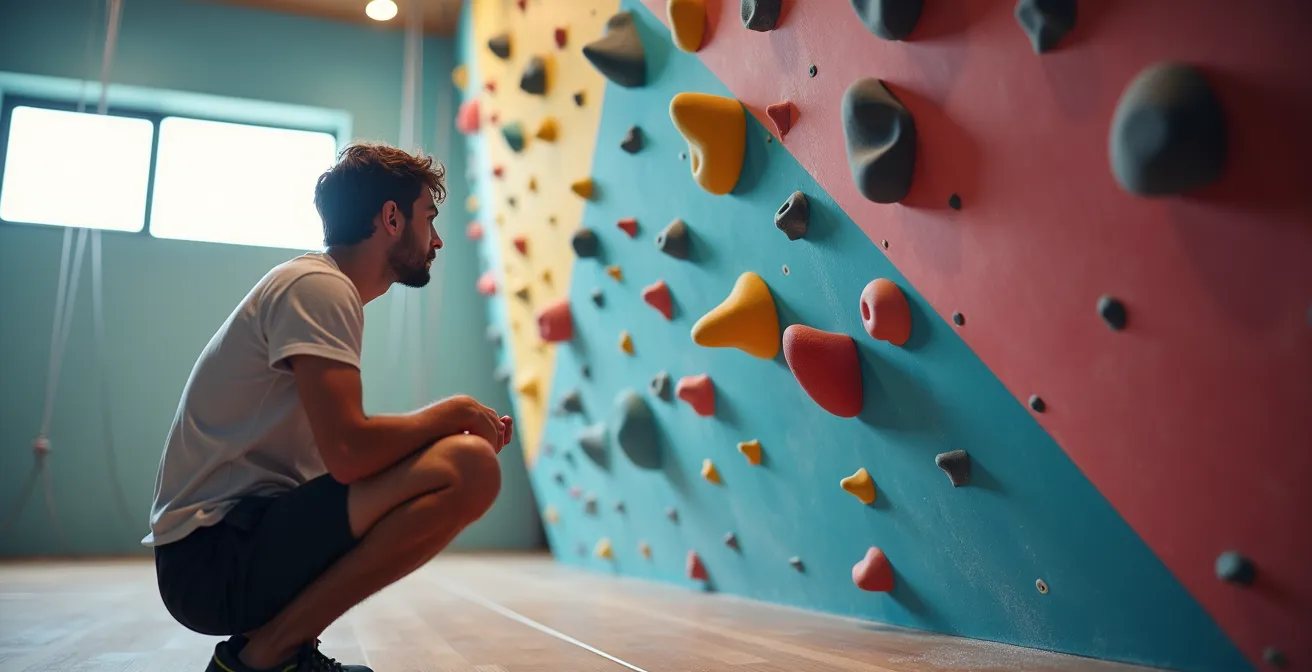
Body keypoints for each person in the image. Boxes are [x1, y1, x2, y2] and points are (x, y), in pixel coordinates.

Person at [141, 142, 513, 672]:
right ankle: (265, 657)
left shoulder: (323, 289)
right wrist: (455, 413)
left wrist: (444, 432)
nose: (437, 239)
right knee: (468, 466)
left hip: (227, 548)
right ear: (391, 218)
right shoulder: (318, 287)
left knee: (457, 462)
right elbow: (349, 452)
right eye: (428, 218)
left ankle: (280, 651)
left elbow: (337, 461)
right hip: (209, 562)